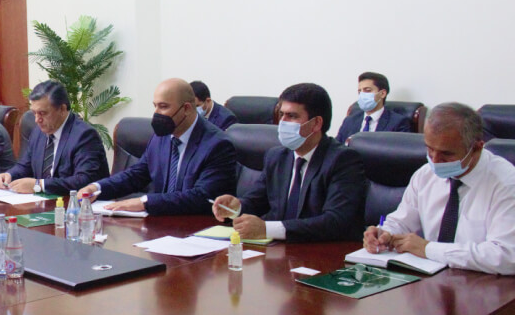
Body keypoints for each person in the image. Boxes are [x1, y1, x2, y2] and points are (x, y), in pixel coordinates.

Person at [363, 103, 515, 315]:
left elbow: (505, 255)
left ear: (477, 147)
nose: (434, 160)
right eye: (428, 149)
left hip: (494, 299)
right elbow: (402, 219)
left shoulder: (506, 183)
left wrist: (430, 248)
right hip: (434, 290)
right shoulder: (426, 173)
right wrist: (384, 232)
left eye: (445, 154)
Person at [212, 83, 366, 242]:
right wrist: (236, 207)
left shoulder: (343, 160)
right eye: (281, 114)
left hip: (321, 249)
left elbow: (335, 221)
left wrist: (267, 229)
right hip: (278, 249)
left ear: (316, 123)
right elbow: (258, 200)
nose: (282, 122)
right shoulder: (277, 156)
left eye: (292, 116)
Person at [78, 79, 236, 215]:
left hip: (197, 228)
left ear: (187, 108)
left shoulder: (217, 144)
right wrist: (96, 188)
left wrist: (144, 202)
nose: (156, 114)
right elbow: (136, 175)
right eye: (155, 106)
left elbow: (201, 197)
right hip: (162, 225)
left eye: (163, 106)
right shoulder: (161, 137)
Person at [0, 80, 109, 195]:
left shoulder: (84, 136)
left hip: (76, 202)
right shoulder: (38, 132)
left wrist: (39, 185)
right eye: (34, 113)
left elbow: (84, 180)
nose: (37, 120)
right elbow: (25, 166)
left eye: (43, 113)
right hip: (43, 202)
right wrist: (9, 175)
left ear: (62, 109)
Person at [335, 71, 411, 143]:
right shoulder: (349, 121)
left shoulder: (398, 122)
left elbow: (401, 150)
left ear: (382, 94)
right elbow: (337, 147)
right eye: (360, 92)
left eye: (367, 90)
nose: (362, 95)